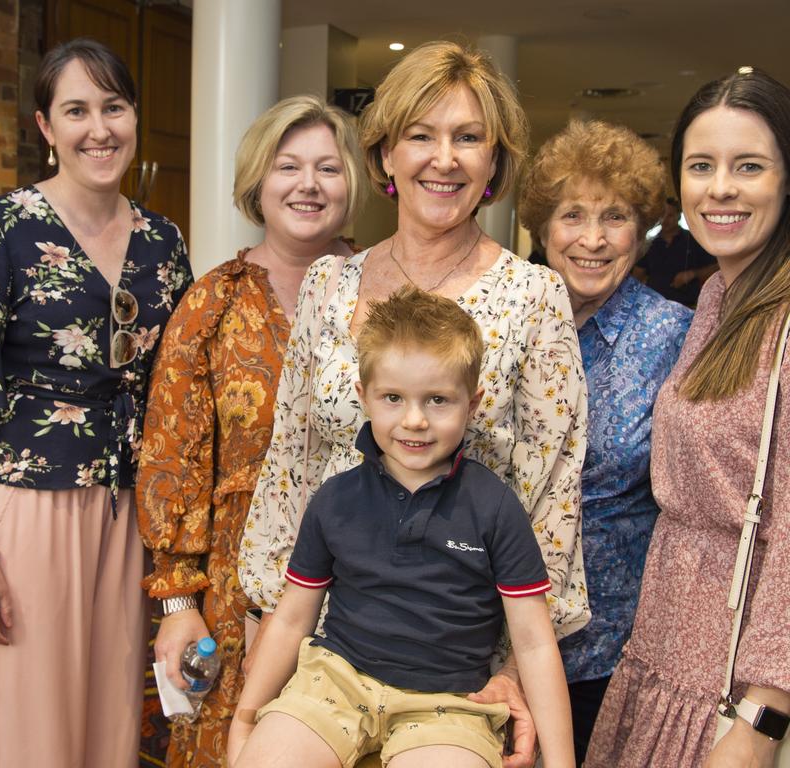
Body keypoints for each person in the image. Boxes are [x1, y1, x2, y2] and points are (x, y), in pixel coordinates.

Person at [239, 40, 590, 768]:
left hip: (453, 659)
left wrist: (510, 674)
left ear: (495, 163)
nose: (445, 158)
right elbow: (291, 464)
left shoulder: (533, 297)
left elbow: (549, 500)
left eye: (469, 138)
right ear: (386, 155)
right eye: (421, 136)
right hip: (324, 650)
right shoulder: (328, 286)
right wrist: (267, 625)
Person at [0, 39, 192, 768]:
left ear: (134, 116)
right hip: (28, 504)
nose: (100, 129)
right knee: (30, 715)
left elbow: (175, 389)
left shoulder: (163, 240)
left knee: (111, 711)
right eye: (77, 110)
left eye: (114, 107)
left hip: (125, 509)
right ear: (44, 127)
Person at [228, 288, 575, 768]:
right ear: (364, 397)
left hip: (449, 705)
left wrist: (561, 764)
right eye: (393, 398)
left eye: (438, 400)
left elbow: (535, 644)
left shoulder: (495, 506)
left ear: (471, 404)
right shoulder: (335, 499)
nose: (414, 420)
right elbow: (291, 618)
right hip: (334, 681)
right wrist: (245, 717)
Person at [136, 95, 362, 767]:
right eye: (288, 165)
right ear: (257, 183)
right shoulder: (213, 302)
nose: (309, 184)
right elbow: (171, 459)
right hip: (241, 591)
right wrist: (178, 601)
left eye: (328, 167)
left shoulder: (385, 290)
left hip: (369, 577)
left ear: (351, 184)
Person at [586, 67, 790, 767]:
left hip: (737, 675)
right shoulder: (715, 300)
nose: (721, 188)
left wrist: (764, 718)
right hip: (667, 644)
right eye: (702, 166)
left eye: (749, 166)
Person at [517, 119, 692, 763]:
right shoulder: (504, 319)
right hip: (486, 636)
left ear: (641, 228)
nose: (592, 239)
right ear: (542, 227)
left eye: (615, 217)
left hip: (616, 647)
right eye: (572, 215)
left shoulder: (677, 337)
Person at [633, 196, 718, 307]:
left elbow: (716, 268)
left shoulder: (695, 239)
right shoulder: (650, 243)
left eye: (670, 215)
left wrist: (692, 274)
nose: (665, 220)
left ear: (679, 215)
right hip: (654, 309)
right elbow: (637, 276)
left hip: (688, 307)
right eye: (662, 216)